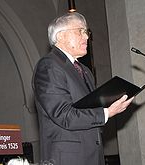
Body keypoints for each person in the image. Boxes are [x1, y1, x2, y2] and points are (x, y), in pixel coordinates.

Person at [32, 12, 134, 165]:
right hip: (67, 158)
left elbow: (88, 109)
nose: (86, 37)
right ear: (60, 36)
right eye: (80, 31)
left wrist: (108, 102)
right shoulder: (49, 66)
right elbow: (63, 115)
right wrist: (107, 112)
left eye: (87, 32)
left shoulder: (84, 70)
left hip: (93, 155)